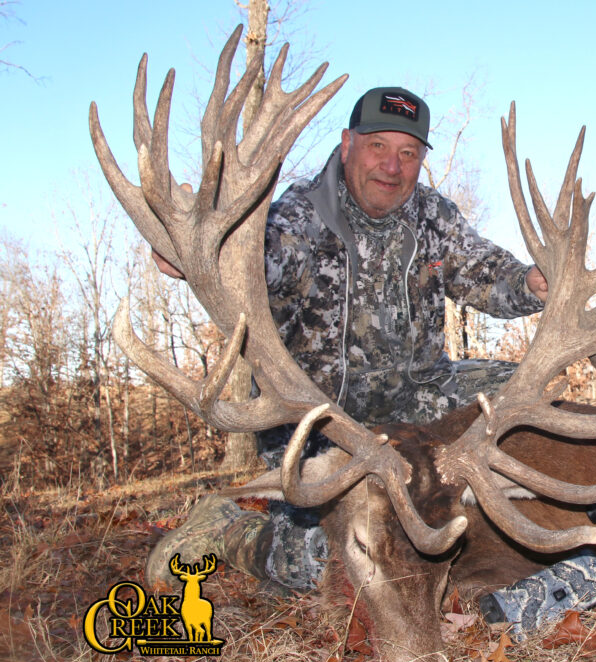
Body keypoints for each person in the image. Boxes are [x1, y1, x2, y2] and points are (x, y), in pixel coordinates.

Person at [146, 86, 548, 591]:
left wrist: (530, 282)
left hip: (417, 402)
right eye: (378, 146)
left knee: (525, 397)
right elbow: (261, 259)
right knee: (323, 564)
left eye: (408, 153)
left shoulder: (432, 216)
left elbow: (483, 272)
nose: (392, 167)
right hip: (321, 423)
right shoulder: (299, 216)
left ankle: (467, 503)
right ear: (346, 143)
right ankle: (230, 526)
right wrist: (201, 251)